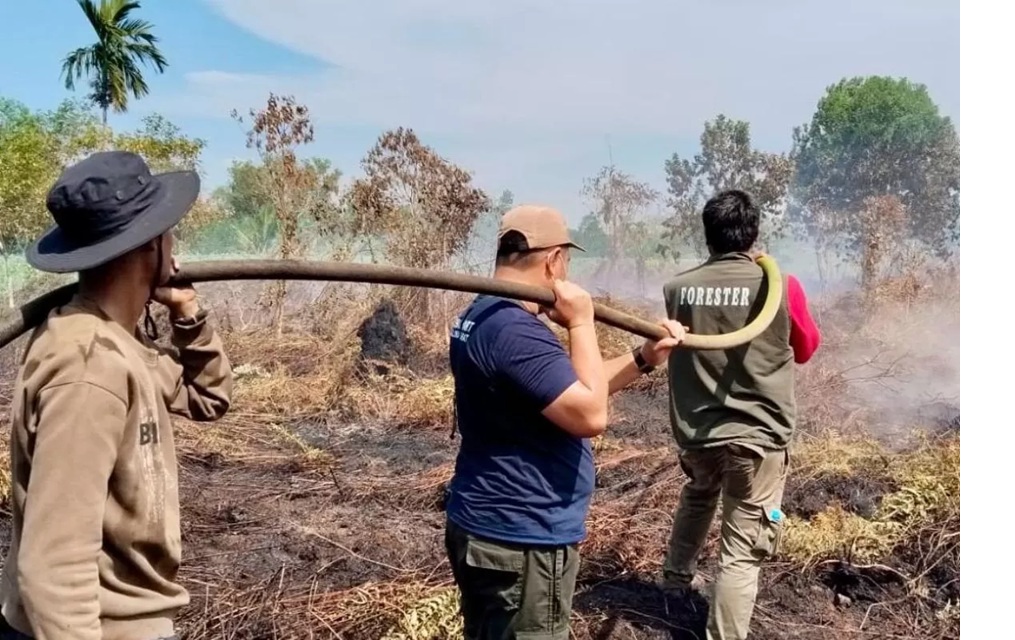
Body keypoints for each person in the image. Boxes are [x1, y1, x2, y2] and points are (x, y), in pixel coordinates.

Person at [0, 150, 234, 640]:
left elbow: (209, 397)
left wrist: (187, 311)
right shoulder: (89, 367)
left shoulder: (119, 344)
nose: (176, 243)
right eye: (168, 230)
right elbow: (53, 567)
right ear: (151, 244)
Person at [445, 204, 687, 639]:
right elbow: (591, 415)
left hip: (490, 530)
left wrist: (643, 357)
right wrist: (581, 323)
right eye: (567, 261)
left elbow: (570, 392)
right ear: (554, 260)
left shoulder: (483, 314)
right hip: (521, 542)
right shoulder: (515, 331)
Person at [659, 189, 821, 640]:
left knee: (699, 492)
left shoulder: (677, 288)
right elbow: (806, 349)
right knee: (742, 549)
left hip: (697, 433)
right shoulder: (781, 286)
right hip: (757, 438)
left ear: (708, 235)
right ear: (754, 234)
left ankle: (673, 582)